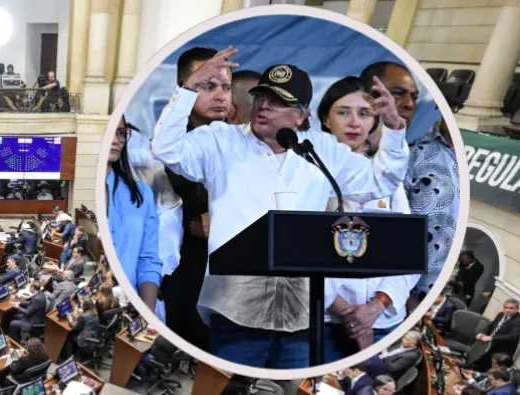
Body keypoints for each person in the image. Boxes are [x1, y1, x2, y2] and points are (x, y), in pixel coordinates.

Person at [151, 46, 409, 368]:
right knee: (225, 388)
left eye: (278, 101)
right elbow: (166, 149)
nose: (264, 106)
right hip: (236, 313)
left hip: (302, 315)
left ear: (301, 115)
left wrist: (394, 129)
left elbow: (381, 181)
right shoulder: (221, 142)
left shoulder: (322, 150)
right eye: (261, 97)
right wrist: (189, 88)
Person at [317, 76, 417, 360]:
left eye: (364, 114)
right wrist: (345, 311)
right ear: (325, 119)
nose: (354, 123)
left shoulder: (388, 181)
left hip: (383, 321)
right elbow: (295, 250)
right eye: (343, 112)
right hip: (324, 319)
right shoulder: (303, 173)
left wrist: (376, 306)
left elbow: (409, 251)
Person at [360, 61, 459, 305]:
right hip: (387, 299)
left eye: (414, 97)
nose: (409, 104)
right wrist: (398, 297)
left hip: (423, 298)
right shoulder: (410, 157)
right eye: (398, 93)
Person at [159, 47, 230, 351]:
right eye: (207, 85)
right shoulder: (167, 146)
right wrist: (190, 225)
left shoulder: (240, 143)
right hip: (186, 271)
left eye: (226, 87)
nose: (220, 96)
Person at [107, 116, 163, 318]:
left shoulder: (141, 194)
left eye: (121, 133)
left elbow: (148, 260)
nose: (115, 140)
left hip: (127, 309)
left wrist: (147, 315)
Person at [469, 299, 520, 371]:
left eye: (511, 308)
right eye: (505, 307)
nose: (507, 310)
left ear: (517, 309)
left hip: (501, 350)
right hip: (489, 344)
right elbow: (491, 325)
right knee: (476, 358)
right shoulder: (501, 314)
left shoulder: (518, 320)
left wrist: (492, 338)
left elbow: (513, 336)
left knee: (485, 367)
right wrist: (482, 333)